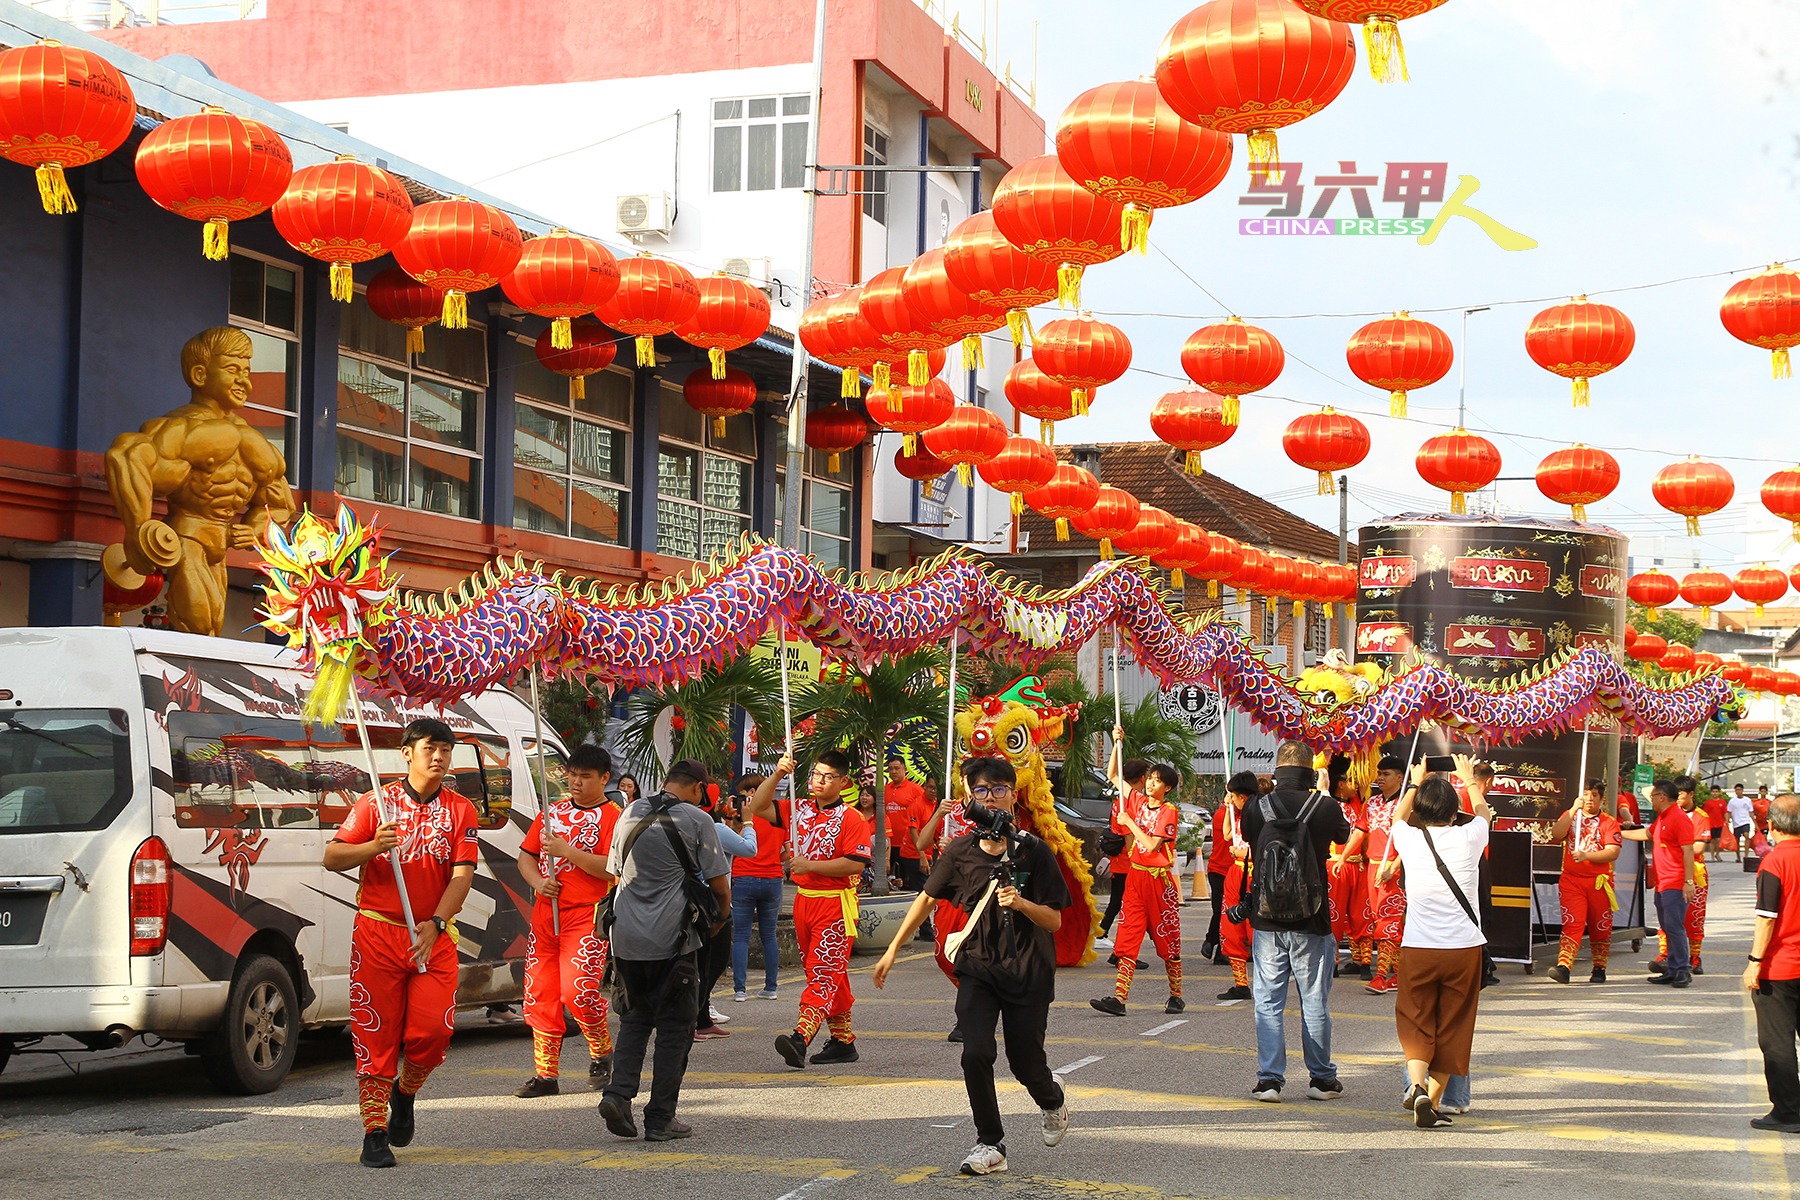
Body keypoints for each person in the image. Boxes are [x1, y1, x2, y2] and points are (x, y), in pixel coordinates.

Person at [873, 755, 1071, 1177]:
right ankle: (990, 1142)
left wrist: (1021, 903)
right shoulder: (961, 851)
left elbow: (1054, 919)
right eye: (980, 790)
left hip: (1027, 971)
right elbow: (926, 898)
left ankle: (1051, 1100)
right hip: (978, 968)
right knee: (975, 1052)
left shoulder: (1035, 853)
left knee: (1025, 1064)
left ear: (1013, 796)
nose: (990, 798)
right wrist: (892, 948)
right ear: (968, 796)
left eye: (999, 789)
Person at [322, 718, 480, 1169]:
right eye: (430, 748)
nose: (439, 757)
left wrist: (437, 920)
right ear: (407, 752)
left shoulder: (461, 809)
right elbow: (333, 857)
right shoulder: (376, 803)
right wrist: (372, 846)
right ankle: (374, 1131)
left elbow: (463, 873)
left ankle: (405, 1092)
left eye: (446, 750)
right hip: (377, 933)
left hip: (433, 935)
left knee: (432, 1034)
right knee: (376, 1034)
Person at [102, 326, 296, 637]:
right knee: (202, 625)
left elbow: (280, 504)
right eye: (233, 370)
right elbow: (126, 456)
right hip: (186, 537)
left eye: (247, 372)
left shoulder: (255, 443)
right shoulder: (179, 430)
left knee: (214, 626)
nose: (243, 381)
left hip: (223, 542)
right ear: (200, 374)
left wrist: (256, 528)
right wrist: (138, 529)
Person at [597, 760, 732, 1142]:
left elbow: (615, 872)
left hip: (624, 938)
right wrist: (718, 922)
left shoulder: (628, 813)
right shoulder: (697, 819)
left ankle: (618, 1095)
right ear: (698, 788)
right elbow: (720, 887)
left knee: (635, 1020)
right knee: (676, 1028)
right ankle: (660, 1118)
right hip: (672, 941)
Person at [1239, 740, 1352, 1103]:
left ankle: (1270, 1080)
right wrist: (1322, 792)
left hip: (1266, 917)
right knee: (1314, 1001)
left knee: (1268, 1001)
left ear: (1278, 767)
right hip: (1312, 919)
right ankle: (1321, 1080)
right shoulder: (1326, 805)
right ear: (1309, 768)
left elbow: (1247, 839)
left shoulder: (1256, 806)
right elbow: (1343, 836)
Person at [747, 750, 873, 1068]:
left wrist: (809, 864)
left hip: (835, 904)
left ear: (844, 782)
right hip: (804, 901)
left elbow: (855, 862)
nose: (819, 780)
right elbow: (757, 807)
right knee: (829, 973)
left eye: (828, 776)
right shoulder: (799, 808)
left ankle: (800, 1038)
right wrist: (777, 774)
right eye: (816, 774)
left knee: (822, 973)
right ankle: (843, 1041)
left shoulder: (852, 818)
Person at [1384, 759, 1491, 1130]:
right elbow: (1482, 813)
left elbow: (1398, 817)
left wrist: (1414, 784)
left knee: (1415, 1019)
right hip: (1463, 948)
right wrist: (1468, 780)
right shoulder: (1471, 835)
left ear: (1421, 809)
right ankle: (1432, 1096)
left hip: (1418, 946)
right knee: (1454, 1026)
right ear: (1452, 812)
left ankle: (1416, 1085)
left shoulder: (1408, 838)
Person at [513, 744, 621, 1098]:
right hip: (546, 913)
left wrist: (568, 852)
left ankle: (601, 1050)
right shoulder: (550, 813)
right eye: (572, 774)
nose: (575, 782)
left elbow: (612, 867)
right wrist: (538, 882)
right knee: (539, 994)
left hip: (586, 914)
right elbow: (526, 857)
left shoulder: (615, 817)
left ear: (604, 779)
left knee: (578, 991)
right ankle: (546, 1074)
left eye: (585, 776)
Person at [1090, 756, 1184, 1016]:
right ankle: (1119, 999)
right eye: (1150, 778)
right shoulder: (1140, 802)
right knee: (1128, 935)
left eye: (1157, 780)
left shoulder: (1169, 812)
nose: (1151, 783)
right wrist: (1115, 742)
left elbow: (1153, 845)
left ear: (1167, 788)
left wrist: (1129, 822)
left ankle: (1176, 994)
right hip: (1136, 877)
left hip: (1158, 881)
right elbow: (1113, 775)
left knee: (1167, 938)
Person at [1745, 794, 1800, 1133]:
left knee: (1777, 1043)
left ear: (1771, 825)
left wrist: (1754, 962)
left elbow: (1767, 918)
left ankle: (1788, 1111)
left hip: (1781, 967)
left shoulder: (1774, 862)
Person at [693, 782, 757, 1041]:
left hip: (692, 901)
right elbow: (748, 849)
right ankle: (695, 1018)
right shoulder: (715, 828)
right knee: (713, 962)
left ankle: (702, 1018)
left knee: (703, 962)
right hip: (714, 901)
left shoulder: (698, 824)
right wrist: (749, 822)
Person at [1621, 781, 1698, 988]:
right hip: (1662, 883)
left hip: (1675, 882)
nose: (1651, 799)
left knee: (1675, 927)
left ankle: (1682, 970)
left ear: (1662, 797)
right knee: (1667, 927)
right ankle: (1672, 969)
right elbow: (1646, 834)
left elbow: (1688, 851)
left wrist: (1688, 882)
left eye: (1654, 796)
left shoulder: (1678, 818)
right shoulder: (1663, 817)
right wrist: (1618, 833)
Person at [1546, 779, 1622, 985]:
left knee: (1600, 926)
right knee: (1573, 923)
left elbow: (1612, 852)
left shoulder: (1609, 822)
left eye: (1594, 795)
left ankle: (1599, 967)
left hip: (1599, 882)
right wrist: (1572, 810)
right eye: (1586, 794)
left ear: (1601, 799)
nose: (1589, 799)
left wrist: (1588, 856)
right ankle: (1564, 966)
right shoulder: (1571, 817)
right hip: (1572, 881)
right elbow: (1556, 834)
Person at [730, 774, 785, 1003]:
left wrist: (735, 822)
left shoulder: (745, 816)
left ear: (750, 792)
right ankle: (771, 987)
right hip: (772, 878)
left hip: (743, 876)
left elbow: (731, 843)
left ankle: (740, 990)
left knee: (741, 936)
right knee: (769, 935)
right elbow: (787, 853)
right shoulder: (777, 814)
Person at [1364, 755, 1410, 996]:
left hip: (1395, 870)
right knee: (1378, 919)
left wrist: (1394, 865)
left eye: (1386, 774)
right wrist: (1342, 858)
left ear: (1400, 777)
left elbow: (1413, 840)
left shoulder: (1406, 805)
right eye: (1379, 774)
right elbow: (1361, 833)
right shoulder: (1371, 803)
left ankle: (1381, 975)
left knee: (1389, 921)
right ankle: (1400, 976)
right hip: (1373, 867)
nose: (1380, 778)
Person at [1095, 753, 1151, 949]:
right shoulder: (1133, 801)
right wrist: (1138, 860)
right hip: (1129, 862)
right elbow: (1129, 835)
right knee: (1130, 905)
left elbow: (1112, 775)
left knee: (1122, 902)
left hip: (1121, 860)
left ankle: (1108, 937)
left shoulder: (1122, 799)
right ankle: (1108, 939)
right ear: (1143, 778)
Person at [1327, 762, 1374, 979]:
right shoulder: (1327, 805)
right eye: (1351, 782)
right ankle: (1333, 963)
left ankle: (1363, 962)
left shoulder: (1358, 802)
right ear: (1340, 784)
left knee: (1361, 914)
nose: (1356, 787)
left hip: (1359, 866)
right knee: (1334, 915)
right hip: (1336, 867)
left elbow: (1364, 781)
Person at [1215, 772, 1256, 1001]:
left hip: (1254, 873)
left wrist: (1242, 852)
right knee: (1231, 927)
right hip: (1236, 873)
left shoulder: (1261, 815)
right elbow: (1227, 834)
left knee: (1256, 929)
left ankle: (1265, 981)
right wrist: (1227, 806)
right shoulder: (1238, 815)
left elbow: (1264, 846)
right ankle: (1241, 983)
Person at [1668, 776, 1711, 974]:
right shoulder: (1668, 814)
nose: (1677, 798)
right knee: (1668, 913)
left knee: (1694, 915)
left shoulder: (1701, 816)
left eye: (1681, 794)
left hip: (1695, 873)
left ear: (1691, 794)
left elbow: (1699, 846)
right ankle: (1664, 954)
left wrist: (1677, 845)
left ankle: (1695, 956)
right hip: (1672, 869)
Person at [884, 756, 931, 891]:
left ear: (905, 769)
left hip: (909, 845)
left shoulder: (915, 789)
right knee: (888, 880)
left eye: (897, 768)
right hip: (889, 843)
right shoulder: (885, 790)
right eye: (891, 769)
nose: (894, 772)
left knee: (909, 882)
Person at [1702, 782, 1729, 864]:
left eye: (1716, 792)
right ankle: (1712, 856)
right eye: (1713, 792)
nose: (1715, 793)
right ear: (1711, 793)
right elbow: (1704, 814)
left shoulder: (1722, 802)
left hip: (1720, 824)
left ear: (1719, 792)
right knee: (1712, 841)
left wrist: (1726, 821)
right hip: (1710, 824)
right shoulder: (1708, 803)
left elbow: (1725, 812)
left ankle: (1718, 854)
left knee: (1719, 840)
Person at [1730, 785, 1757, 865]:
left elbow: (1751, 812)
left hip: (1745, 821)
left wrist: (1755, 823)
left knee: (1746, 836)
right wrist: (1727, 820)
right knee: (1737, 840)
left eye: (1740, 789)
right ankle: (1738, 857)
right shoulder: (1732, 801)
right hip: (1736, 823)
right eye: (1737, 790)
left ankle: (1746, 855)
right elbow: (1728, 811)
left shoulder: (1747, 800)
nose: (1738, 791)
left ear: (1742, 790)